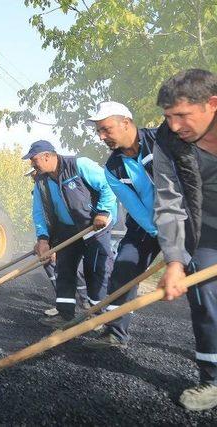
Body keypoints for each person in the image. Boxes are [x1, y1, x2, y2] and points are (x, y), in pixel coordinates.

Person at [152, 69, 217, 411]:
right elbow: (169, 203)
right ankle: (212, 378)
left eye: (182, 115)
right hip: (206, 230)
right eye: (168, 116)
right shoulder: (167, 143)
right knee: (204, 290)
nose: (174, 125)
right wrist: (175, 262)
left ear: (212, 104)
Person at [83, 101, 160, 349]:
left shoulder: (162, 141)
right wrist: (161, 233)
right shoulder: (112, 168)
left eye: (106, 129)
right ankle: (115, 332)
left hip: (187, 222)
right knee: (124, 267)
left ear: (126, 123)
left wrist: (176, 236)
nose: (102, 137)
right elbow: (134, 208)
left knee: (202, 285)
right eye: (99, 132)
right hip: (144, 226)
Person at [23, 140, 117, 328]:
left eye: (34, 160)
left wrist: (103, 211)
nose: (32, 165)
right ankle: (65, 314)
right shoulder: (41, 182)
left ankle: (97, 316)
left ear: (47, 156)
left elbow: (108, 185)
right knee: (64, 269)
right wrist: (43, 239)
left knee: (95, 271)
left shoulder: (78, 165)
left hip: (94, 226)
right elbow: (39, 212)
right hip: (67, 230)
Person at [25, 168, 89, 317]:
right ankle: (62, 304)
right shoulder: (39, 191)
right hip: (52, 236)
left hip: (68, 233)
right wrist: (42, 242)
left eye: (34, 174)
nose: (33, 178)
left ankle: (87, 303)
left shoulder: (56, 186)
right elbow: (42, 218)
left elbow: (59, 217)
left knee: (76, 270)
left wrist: (53, 247)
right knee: (48, 264)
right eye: (32, 176)